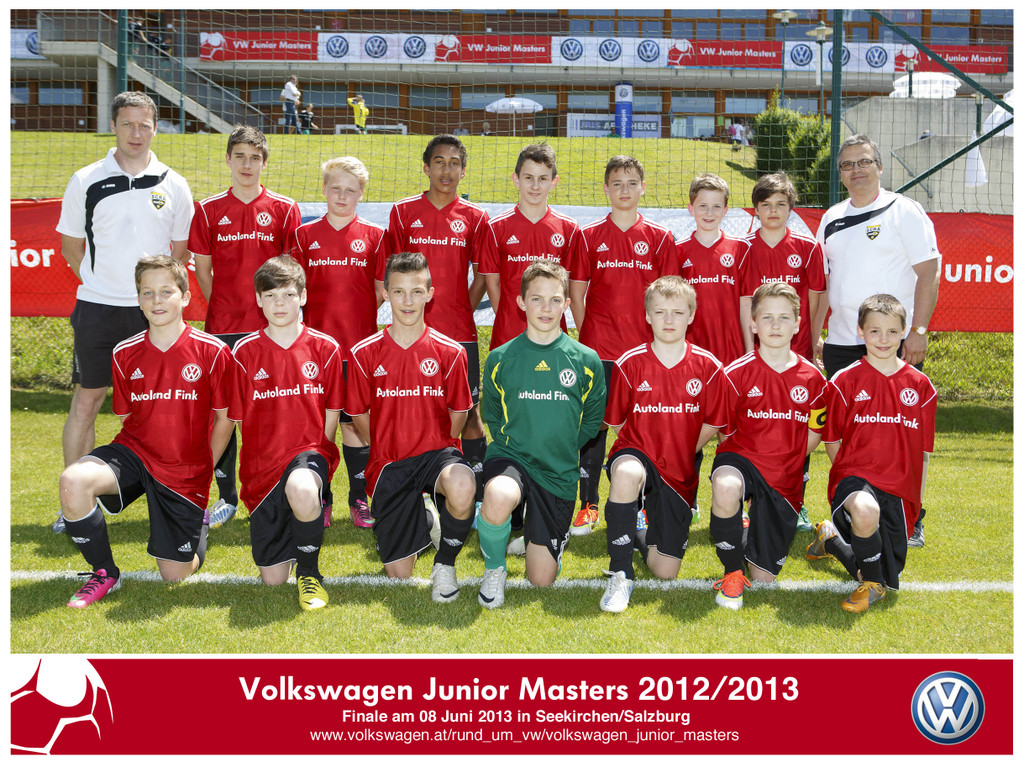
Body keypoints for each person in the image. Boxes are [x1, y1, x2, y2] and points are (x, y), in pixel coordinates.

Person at [58, 255, 234, 608]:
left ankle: (196, 523)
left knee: (174, 574)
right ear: (138, 300)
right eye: (147, 292)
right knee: (73, 480)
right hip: (136, 452)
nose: (157, 300)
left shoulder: (213, 351)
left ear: (185, 297)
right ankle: (104, 572)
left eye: (166, 291)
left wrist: (204, 468)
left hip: (185, 469)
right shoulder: (124, 352)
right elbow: (128, 416)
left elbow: (225, 419)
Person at [54, 91, 193, 535]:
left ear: (155, 128)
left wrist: (154, 298)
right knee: (87, 401)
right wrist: (102, 284)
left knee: (161, 407)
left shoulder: (174, 183)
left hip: (153, 315)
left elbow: (179, 253)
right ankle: (74, 504)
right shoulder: (85, 179)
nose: (136, 133)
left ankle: (167, 496)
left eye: (144, 125)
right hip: (98, 309)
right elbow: (71, 247)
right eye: (128, 124)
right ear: (113, 125)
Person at [813, 133, 941, 547]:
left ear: (879, 166)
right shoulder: (832, 217)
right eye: (848, 164)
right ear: (840, 173)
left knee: (902, 436)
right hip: (842, 344)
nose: (857, 170)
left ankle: (911, 517)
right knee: (849, 436)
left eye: (864, 161)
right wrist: (816, 336)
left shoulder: (904, 210)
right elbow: (824, 284)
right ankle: (855, 512)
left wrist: (917, 331)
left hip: (892, 343)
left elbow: (928, 272)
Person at [477, 260, 607, 608]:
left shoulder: (586, 360)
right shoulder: (500, 358)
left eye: (554, 300)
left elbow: (592, 421)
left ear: (567, 303)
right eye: (537, 299)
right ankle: (494, 569)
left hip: (557, 471)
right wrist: (523, 444)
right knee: (498, 495)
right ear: (521, 302)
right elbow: (493, 417)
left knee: (541, 580)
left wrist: (561, 446)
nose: (546, 308)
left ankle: (546, 539)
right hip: (513, 458)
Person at [348, 252, 477, 602]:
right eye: (399, 291)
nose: (408, 301)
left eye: (416, 291)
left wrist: (440, 441)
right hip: (390, 462)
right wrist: (384, 444)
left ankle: (445, 563)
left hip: (436, 455)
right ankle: (426, 519)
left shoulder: (450, 352)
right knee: (399, 575)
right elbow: (358, 415)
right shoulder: (364, 353)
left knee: (463, 485)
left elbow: (458, 413)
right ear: (385, 293)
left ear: (429, 294)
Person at [189, 125, 301, 528]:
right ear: (228, 160)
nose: (247, 165)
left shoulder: (284, 208)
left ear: (264, 162)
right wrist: (223, 304)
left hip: (270, 331)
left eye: (255, 158)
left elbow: (289, 274)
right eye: (240, 156)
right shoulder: (208, 209)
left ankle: (275, 487)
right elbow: (203, 271)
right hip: (223, 327)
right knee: (221, 413)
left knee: (271, 408)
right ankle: (226, 495)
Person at [599, 276, 727, 613]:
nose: (668, 320)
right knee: (626, 473)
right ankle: (620, 573)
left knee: (664, 570)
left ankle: (634, 530)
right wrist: (643, 447)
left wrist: (682, 448)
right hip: (638, 453)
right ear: (647, 315)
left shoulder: (708, 366)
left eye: (677, 312)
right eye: (660, 312)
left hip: (679, 470)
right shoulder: (629, 363)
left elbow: (714, 422)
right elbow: (617, 422)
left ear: (691, 315)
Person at [568, 155, 678, 536]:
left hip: (644, 354)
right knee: (593, 426)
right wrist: (589, 342)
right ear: (605, 189)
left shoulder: (660, 238)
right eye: (617, 183)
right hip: (599, 353)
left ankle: (642, 506)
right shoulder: (588, 236)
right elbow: (576, 294)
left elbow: (669, 300)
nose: (624, 190)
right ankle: (588, 505)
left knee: (643, 428)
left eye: (632, 183)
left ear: (643, 187)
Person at [228, 256, 343, 612]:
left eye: (289, 295)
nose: (280, 304)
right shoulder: (244, 352)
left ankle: (309, 573)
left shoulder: (325, 348)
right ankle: (300, 519)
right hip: (262, 466)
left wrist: (319, 458)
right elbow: (241, 420)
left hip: (308, 453)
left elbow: (332, 411)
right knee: (272, 579)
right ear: (258, 300)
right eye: (271, 295)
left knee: (302, 488)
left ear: (303, 297)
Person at [380, 134, 491, 505]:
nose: (447, 170)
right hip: (411, 334)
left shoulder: (475, 217)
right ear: (426, 168)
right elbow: (393, 272)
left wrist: (462, 307)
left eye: (454, 163)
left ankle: (474, 490)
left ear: (463, 170)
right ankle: (413, 485)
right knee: (412, 409)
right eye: (439, 162)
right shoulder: (403, 212)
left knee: (468, 412)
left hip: (460, 333)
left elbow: (482, 275)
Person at [807, 294, 936, 612]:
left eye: (892, 331)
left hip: (899, 488)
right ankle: (870, 583)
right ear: (860, 332)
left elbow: (923, 453)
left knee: (887, 575)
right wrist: (847, 477)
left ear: (904, 331)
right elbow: (832, 440)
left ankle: (831, 540)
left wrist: (917, 504)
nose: (884, 339)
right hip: (857, 480)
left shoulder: (921, 387)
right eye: (875, 331)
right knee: (865, 513)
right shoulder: (844, 381)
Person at [708, 282, 827, 610]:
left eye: (784, 318)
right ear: (753, 323)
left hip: (784, 476)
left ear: (798, 324)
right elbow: (725, 433)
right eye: (767, 318)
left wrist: (785, 460)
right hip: (742, 459)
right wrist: (746, 465)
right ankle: (732, 572)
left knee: (763, 578)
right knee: (726, 486)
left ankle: (743, 526)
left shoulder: (813, 379)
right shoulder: (735, 373)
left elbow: (814, 434)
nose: (776, 325)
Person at [292, 156, 385, 528]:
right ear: (324, 190)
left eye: (350, 190)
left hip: (358, 350)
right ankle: (322, 496)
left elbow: (379, 291)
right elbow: (295, 292)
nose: (342, 196)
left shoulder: (375, 236)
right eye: (336, 189)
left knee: (353, 424)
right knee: (320, 427)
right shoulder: (304, 236)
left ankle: (358, 499)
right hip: (315, 352)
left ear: (361, 193)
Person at [740, 171, 826, 532]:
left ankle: (797, 502)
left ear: (791, 208)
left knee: (797, 429)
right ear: (756, 209)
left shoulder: (807, 248)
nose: (773, 210)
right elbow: (745, 301)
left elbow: (817, 298)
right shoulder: (744, 248)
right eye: (766, 204)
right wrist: (750, 351)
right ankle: (749, 501)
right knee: (756, 427)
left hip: (797, 355)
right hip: (760, 357)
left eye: (780, 204)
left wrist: (814, 340)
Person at [676, 172, 749, 512]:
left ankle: (734, 504)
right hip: (691, 359)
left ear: (726, 209)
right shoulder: (679, 251)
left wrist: (749, 352)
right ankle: (685, 500)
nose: (709, 212)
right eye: (702, 205)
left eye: (716, 206)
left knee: (732, 434)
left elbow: (746, 304)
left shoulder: (740, 250)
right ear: (690, 208)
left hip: (731, 357)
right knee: (689, 432)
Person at [480, 143, 585, 352]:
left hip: (553, 337)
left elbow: (569, 288)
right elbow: (493, 284)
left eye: (543, 179)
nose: (535, 186)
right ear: (516, 179)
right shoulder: (496, 227)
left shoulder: (569, 229)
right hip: (509, 336)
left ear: (554, 182)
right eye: (529, 178)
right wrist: (509, 320)